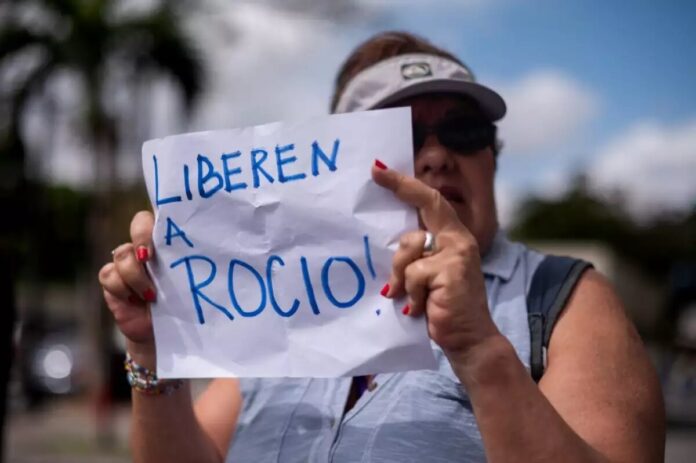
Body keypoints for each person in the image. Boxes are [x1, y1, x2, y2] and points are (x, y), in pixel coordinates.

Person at [98, 31, 665, 462]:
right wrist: (154, 351)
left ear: (494, 155)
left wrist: (479, 352)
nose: (438, 155)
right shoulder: (276, 304)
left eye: (465, 132)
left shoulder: (563, 298)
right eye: (402, 132)